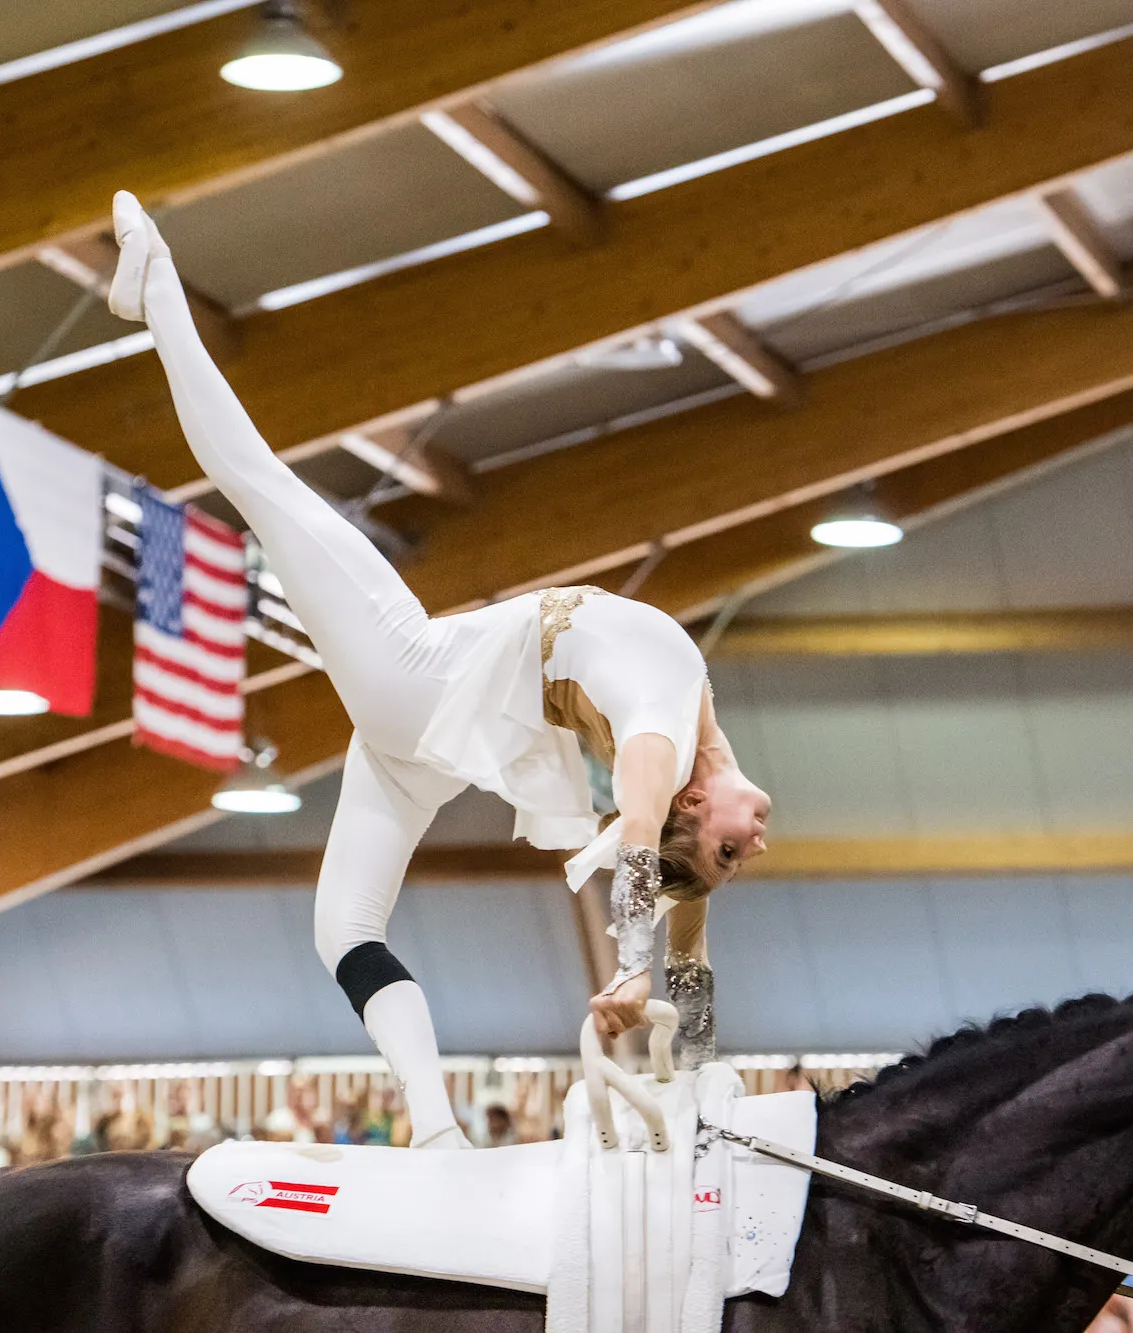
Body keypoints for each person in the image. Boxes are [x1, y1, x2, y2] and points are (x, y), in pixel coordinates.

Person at [109, 194, 773, 1147]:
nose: (754, 850)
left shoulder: (660, 746)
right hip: (427, 729)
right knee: (343, 931)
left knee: (260, 481)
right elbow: (691, 942)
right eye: (736, 858)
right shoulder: (693, 723)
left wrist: (647, 991)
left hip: (411, 678)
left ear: (695, 807)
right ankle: (431, 1127)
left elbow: (638, 832)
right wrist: (694, 1052)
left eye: (727, 857)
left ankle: (159, 288)